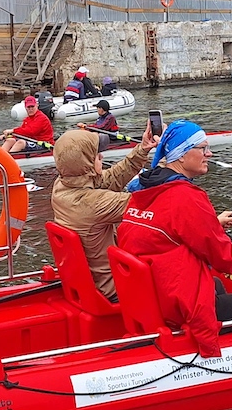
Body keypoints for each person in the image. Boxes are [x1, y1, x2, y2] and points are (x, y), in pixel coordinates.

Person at [117, 121, 232, 358]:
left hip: (159, 294)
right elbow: (228, 260)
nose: (209, 154)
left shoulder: (143, 192)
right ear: (181, 156)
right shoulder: (186, 198)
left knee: (218, 285)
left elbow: (169, 230)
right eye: (202, 148)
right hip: (182, 306)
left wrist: (212, 223)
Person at [50, 123, 157, 300]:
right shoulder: (93, 203)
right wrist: (172, 168)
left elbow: (110, 178)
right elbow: (151, 205)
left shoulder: (62, 186)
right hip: (113, 288)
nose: (101, 155)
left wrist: (142, 149)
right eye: (95, 155)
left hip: (93, 282)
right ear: (85, 165)